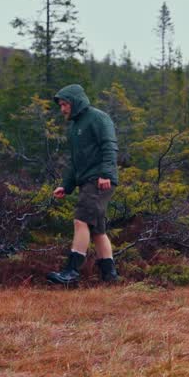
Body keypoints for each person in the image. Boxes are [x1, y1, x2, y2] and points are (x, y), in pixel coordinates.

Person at [46, 84, 121, 285]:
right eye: (60, 105)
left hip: (99, 180)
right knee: (97, 230)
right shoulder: (74, 126)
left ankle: (71, 272)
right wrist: (66, 185)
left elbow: (110, 146)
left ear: (75, 102)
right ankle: (110, 276)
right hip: (87, 179)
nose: (62, 109)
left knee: (81, 221)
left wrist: (105, 174)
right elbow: (74, 160)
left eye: (65, 104)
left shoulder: (98, 118)